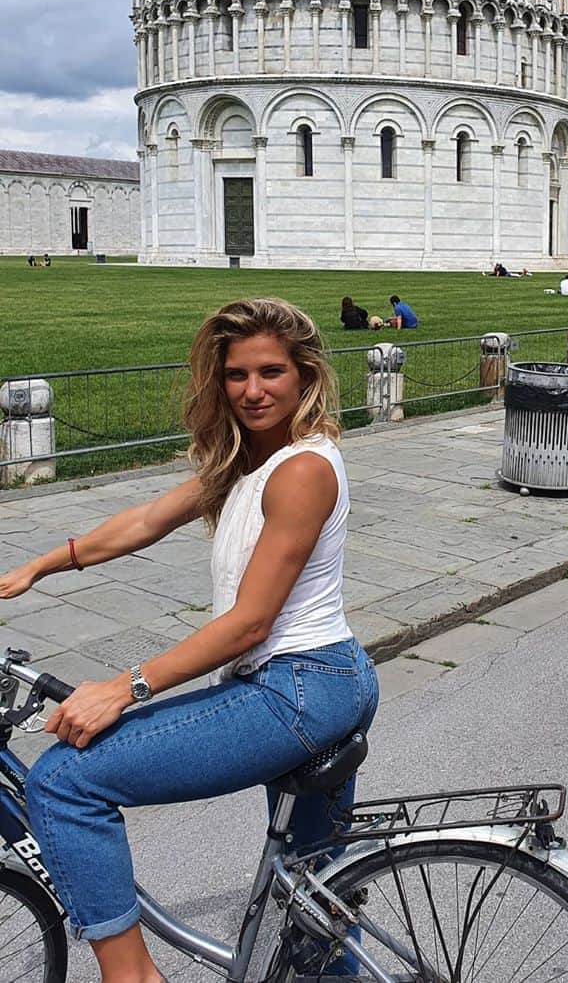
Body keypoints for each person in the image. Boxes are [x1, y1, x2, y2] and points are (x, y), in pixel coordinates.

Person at [0, 298, 378, 981]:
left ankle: (132, 976)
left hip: (295, 689)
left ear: (305, 374)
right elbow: (144, 521)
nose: (253, 390)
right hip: (326, 679)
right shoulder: (247, 458)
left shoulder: (300, 470)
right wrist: (36, 566)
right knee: (312, 913)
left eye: (270, 371)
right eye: (236, 374)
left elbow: (249, 622)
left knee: (61, 778)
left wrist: (123, 686)